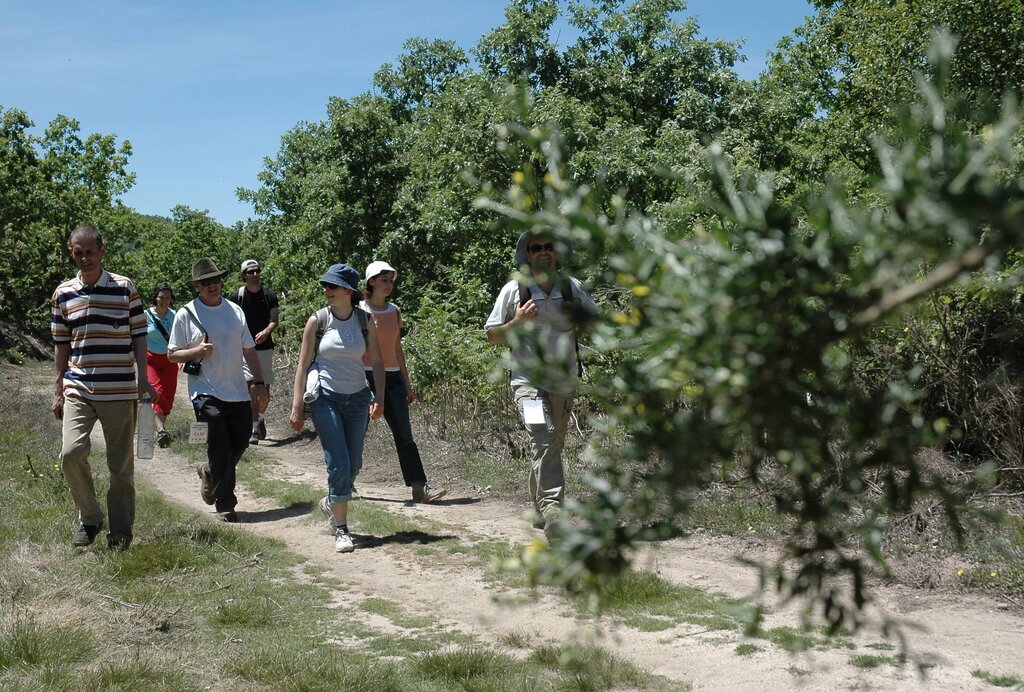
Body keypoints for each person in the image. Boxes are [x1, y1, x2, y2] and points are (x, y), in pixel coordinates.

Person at [51, 224, 157, 550]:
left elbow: (139, 335)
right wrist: (58, 389)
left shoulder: (125, 289)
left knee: (120, 466)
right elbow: (61, 345)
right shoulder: (63, 293)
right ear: (72, 253)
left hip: (120, 388)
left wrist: (142, 378)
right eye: (77, 252)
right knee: (70, 453)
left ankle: (121, 533)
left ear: (103, 251)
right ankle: (91, 517)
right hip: (78, 386)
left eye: (89, 252)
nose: (84, 258)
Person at [485, 233, 597, 533]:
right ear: (528, 254)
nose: (544, 252)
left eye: (550, 247)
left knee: (553, 443)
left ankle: (539, 507)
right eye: (537, 248)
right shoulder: (514, 290)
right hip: (527, 384)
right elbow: (493, 336)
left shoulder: (571, 287)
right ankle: (554, 512)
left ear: (557, 253)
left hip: (564, 381)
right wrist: (517, 322)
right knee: (543, 437)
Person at [290, 263, 386, 553]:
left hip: (358, 398)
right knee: (339, 462)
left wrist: (379, 397)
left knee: (354, 463)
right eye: (326, 286)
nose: (326, 290)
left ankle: (331, 501)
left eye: (332, 286)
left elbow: (378, 363)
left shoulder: (364, 320)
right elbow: (303, 364)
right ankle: (342, 530)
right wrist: (297, 406)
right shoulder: (317, 321)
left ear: (348, 291)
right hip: (326, 398)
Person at [168, 258, 268, 522]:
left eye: (215, 280)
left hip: (236, 389)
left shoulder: (235, 311)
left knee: (243, 438)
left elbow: (249, 350)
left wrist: (258, 383)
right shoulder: (186, 314)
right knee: (219, 442)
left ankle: (211, 472)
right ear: (197, 286)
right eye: (205, 282)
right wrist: (196, 351)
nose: (212, 285)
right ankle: (226, 503)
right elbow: (173, 354)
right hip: (204, 390)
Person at [360, 261, 445, 503]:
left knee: (405, 435)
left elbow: (397, 349)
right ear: (371, 281)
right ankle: (345, 483)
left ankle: (419, 487)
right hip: (365, 377)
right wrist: (359, 379)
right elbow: (354, 349)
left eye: (391, 280)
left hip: (393, 378)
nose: (389, 285)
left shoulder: (394, 311)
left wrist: (407, 383)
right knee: (356, 433)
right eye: (383, 279)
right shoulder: (359, 311)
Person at [228, 259, 278, 445]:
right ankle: (254, 426)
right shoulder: (237, 296)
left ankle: (261, 418)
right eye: (250, 272)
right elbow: (231, 320)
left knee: (264, 389)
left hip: (264, 347)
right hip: (245, 348)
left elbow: (274, 319)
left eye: (257, 270)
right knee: (251, 387)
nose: (254, 274)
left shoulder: (269, 295)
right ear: (244, 275)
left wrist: (266, 331)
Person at [145, 282, 178, 448]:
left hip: (170, 359)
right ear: (155, 297)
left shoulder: (175, 315)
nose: (164, 300)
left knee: (168, 395)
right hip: (150, 359)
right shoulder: (145, 315)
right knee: (156, 391)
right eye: (161, 297)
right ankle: (160, 430)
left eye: (167, 297)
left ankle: (161, 430)